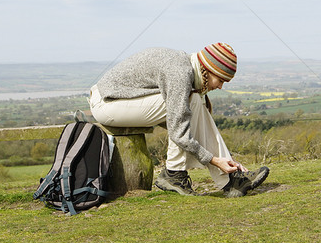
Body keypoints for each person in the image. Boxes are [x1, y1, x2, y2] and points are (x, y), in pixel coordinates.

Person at [89, 42, 269, 197]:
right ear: (208, 70)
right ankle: (175, 175)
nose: (220, 86)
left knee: (191, 102)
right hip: (106, 103)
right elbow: (179, 133)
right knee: (188, 102)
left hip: (118, 101)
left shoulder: (186, 67)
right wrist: (213, 160)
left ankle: (229, 177)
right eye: (220, 80)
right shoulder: (180, 73)